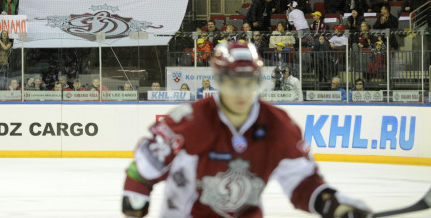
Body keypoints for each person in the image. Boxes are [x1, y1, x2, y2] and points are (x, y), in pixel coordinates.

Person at [122, 42, 370, 218]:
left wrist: (333, 206)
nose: (241, 92)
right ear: (219, 81)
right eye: (232, 83)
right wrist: (135, 195)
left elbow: (303, 182)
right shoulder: (191, 120)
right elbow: (145, 164)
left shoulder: (278, 125)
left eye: (248, 82)